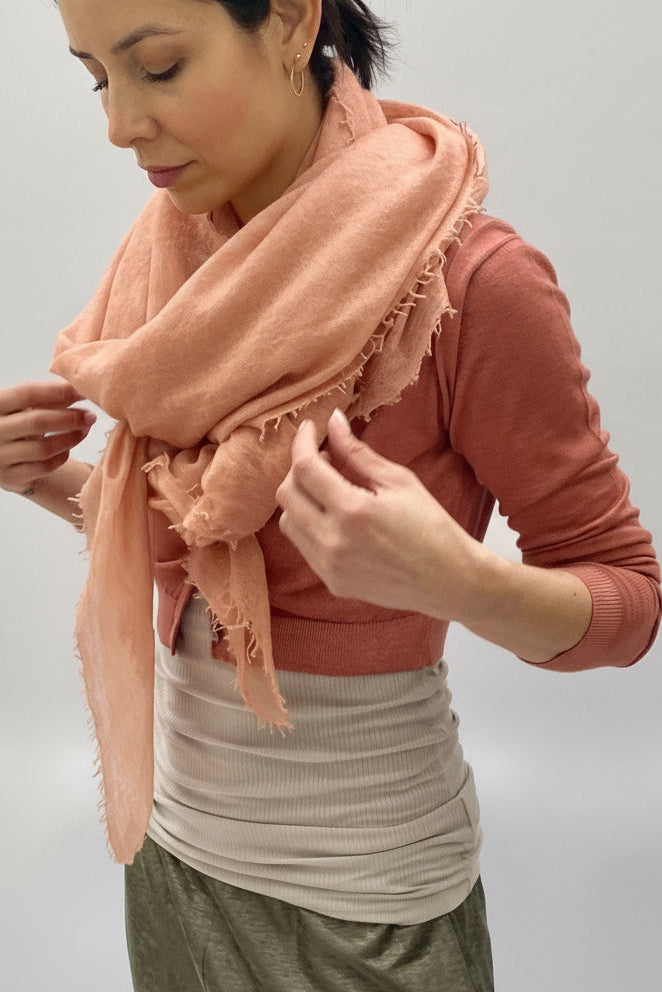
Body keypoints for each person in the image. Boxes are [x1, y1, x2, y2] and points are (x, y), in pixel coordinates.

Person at [1, 1, 659, 990]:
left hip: (363, 903)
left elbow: (628, 597)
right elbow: (202, 547)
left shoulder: (472, 284)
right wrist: (40, 477)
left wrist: (455, 579)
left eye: (160, 66)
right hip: (174, 862)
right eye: (98, 77)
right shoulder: (174, 262)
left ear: (291, 22)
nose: (119, 123)